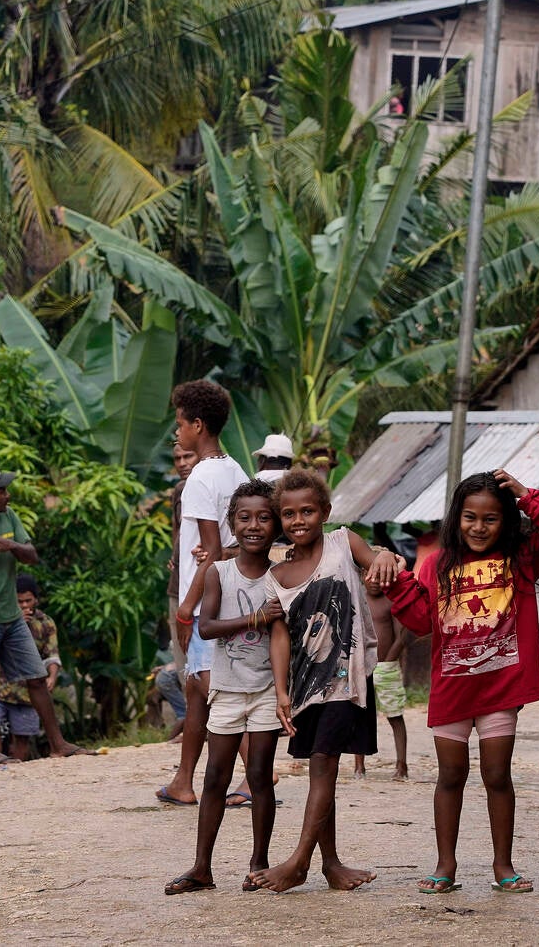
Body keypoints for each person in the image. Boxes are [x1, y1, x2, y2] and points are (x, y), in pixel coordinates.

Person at [386, 469, 539, 895]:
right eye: (470, 517)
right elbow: (418, 621)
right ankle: (444, 864)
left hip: (500, 689)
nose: (479, 527)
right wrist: (396, 583)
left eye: (490, 519)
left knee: (496, 774)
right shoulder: (436, 565)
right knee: (450, 775)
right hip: (452, 689)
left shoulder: (520, 559)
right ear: (457, 518)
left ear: (505, 520)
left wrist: (527, 496)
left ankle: (503, 865)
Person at [251, 469, 400, 893]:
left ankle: (298, 862)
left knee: (324, 767)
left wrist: (386, 554)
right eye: (289, 514)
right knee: (322, 767)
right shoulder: (277, 576)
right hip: (305, 685)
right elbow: (279, 636)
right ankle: (331, 864)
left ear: (325, 512)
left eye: (308, 511)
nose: (298, 521)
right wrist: (281, 690)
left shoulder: (343, 541)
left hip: (346, 680)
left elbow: (379, 562)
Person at [165, 479, 285, 895]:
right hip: (228, 690)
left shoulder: (282, 575)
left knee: (258, 776)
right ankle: (202, 867)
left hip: (268, 690)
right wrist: (256, 619)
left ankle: (259, 864)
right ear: (232, 523)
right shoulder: (219, 572)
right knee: (215, 775)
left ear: (276, 526)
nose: (254, 525)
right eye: (244, 518)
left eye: (264, 518)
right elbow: (208, 625)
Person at [157, 381, 249, 807]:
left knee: (214, 690)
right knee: (197, 691)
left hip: (208, 597)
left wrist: (186, 610)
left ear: (198, 425)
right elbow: (235, 543)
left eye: (180, 425)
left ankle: (253, 778)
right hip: (234, 591)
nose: (176, 434)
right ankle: (182, 780)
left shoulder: (199, 479)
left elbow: (209, 553)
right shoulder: (236, 471)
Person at [0, 467, 92, 762]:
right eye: (0, 491)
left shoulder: (8, 516)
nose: (7, 495)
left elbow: (32, 555)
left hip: (11, 617)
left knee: (36, 678)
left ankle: (58, 744)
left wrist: (11, 545)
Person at [354, 553, 412, 780]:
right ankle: (359, 765)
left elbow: (401, 637)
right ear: (362, 575)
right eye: (371, 574)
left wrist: (388, 661)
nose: (376, 580)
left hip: (386, 666)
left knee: (395, 715)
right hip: (361, 667)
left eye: (381, 575)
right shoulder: (357, 600)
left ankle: (402, 765)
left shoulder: (391, 601)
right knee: (359, 714)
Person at [0, 575, 61, 760]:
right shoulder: (1, 619)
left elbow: (52, 655)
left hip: (27, 694)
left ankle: (19, 774)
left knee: (21, 738)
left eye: (28, 601)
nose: (24, 605)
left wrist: (52, 677)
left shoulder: (46, 623)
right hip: (0, 687)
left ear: (35, 599)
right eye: (19, 601)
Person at [166, 442, 198, 679]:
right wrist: (175, 554)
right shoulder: (179, 489)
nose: (182, 463)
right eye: (177, 458)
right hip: (177, 583)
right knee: (181, 659)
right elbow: (176, 529)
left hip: (199, 582)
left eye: (188, 456)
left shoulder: (210, 485)